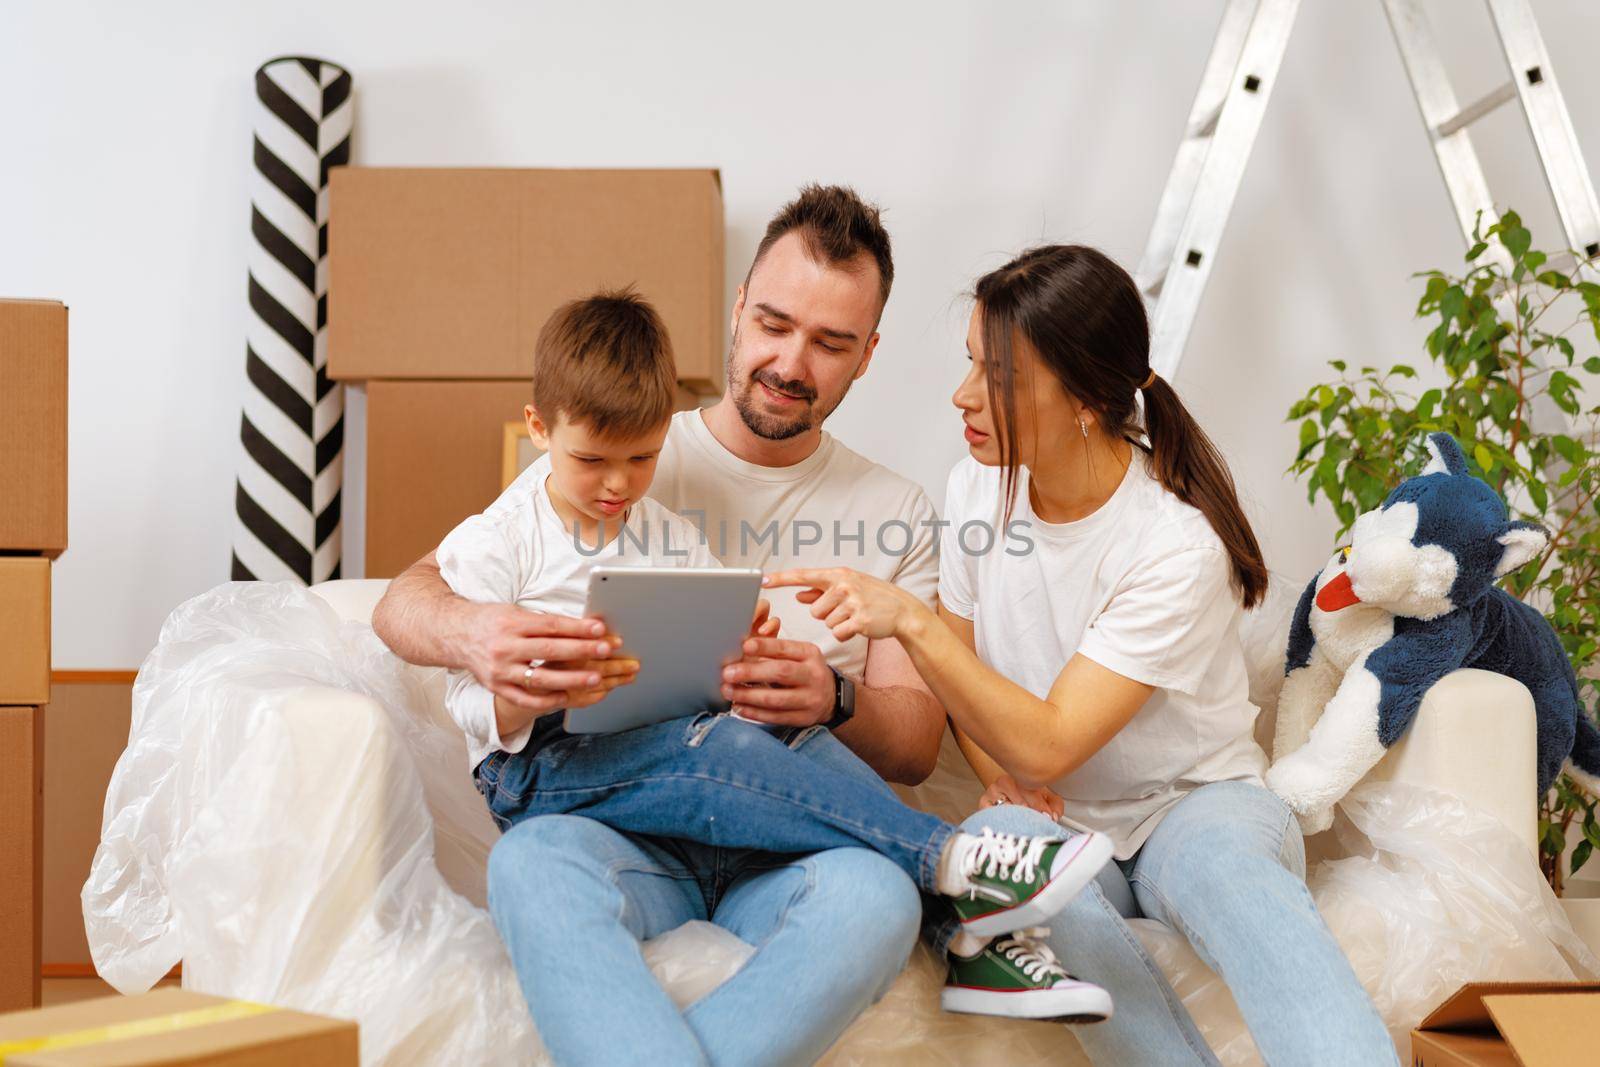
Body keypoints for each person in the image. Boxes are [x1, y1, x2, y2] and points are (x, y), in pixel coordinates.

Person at [372, 187, 1097, 1064]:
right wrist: (475, 635)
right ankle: (962, 875)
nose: (791, 362)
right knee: (531, 866)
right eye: (776, 324)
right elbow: (411, 596)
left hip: (790, 849)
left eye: (830, 343)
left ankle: (946, 882)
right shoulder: (623, 437)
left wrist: (827, 696)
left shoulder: (896, 510)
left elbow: (911, 748)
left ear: (868, 355)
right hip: (619, 827)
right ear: (738, 310)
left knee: (877, 898)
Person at [766, 245, 1400, 1065]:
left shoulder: (1173, 540)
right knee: (1003, 858)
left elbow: (1052, 735)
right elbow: (979, 701)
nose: (962, 396)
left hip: (1193, 804)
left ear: (1088, 403)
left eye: (998, 377)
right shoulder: (974, 489)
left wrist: (907, 622)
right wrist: (1000, 777)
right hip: (1060, 819)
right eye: (969, 364)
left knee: (1229, 879)